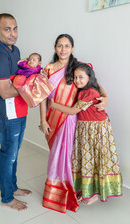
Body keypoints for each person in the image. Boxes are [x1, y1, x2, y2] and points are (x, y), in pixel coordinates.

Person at [39, 34, 108, 213]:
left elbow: (95, 85)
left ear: (72, 48)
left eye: (67, 46)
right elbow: (43, 98)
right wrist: (43, 120)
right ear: (55, 48)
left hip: (71, 119)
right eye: (60, 46)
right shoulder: (48, 69)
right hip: (53, 116)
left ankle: (71, 190)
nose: (63, 49)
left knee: (69, 156)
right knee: (56, 155)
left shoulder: (77, 68)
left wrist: (106, 98)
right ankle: (57, 192)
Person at [48, 62, 122, 205]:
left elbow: (73, 111)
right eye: (75, 77)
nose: (77, 80)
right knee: (88, 160)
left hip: (96, 130)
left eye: (81, 77)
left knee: (96, 160)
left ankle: (95, 194)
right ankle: (87, 191)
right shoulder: (84, 90)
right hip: (86, 129)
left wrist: (53, 105)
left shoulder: (90, 92)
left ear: (90, 77)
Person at [0, 13, 31, 211]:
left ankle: (12, 186)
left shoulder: (15, 49)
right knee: (8, 153)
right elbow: (5, 92)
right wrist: (32, 86)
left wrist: (33, 74)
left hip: (20, 109)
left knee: (15, 151)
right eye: (7, 29)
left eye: (15, 28)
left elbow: (20, 78)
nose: (12, 33)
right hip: (7, 113)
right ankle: (7, 198)